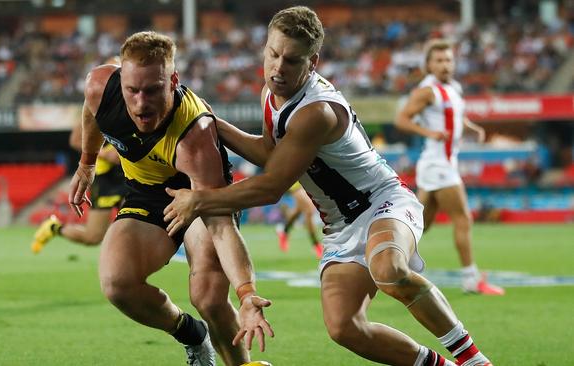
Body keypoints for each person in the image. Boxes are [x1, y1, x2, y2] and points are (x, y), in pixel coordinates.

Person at [164, 7, 492, 366]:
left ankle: (473, 360)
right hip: (340, 226)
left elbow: (272, 187)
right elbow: (269, 154)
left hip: (383, 203)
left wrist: (200, 200)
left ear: (313, 61)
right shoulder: (271, 95)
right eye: (273, 55)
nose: (278, 68)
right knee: (343, 328)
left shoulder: (315, 111)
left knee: (388, 270)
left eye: (291, 60)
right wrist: (206, 120)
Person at [67, 31, 273, 366]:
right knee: (118, 284)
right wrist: (87, 163)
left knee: (207, 296)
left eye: (152, 90)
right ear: (120, 81)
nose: (140, 103)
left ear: (173, 81)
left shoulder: (195, 135)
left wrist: (246, 292)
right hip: (147, 193)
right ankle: (192, 334)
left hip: (199, 193)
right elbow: (93, 112)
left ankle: (242, 364)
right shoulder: (100, 86)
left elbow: (221, 228)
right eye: (132, 90)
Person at [395, 39, 504, 296]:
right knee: (463, 218)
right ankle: (470, 278)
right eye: (439, 60)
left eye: (449, 60)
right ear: (428, 65)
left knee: (422, 224)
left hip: (441, 163)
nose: (445, 65)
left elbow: (455, 116)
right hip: (437, 163)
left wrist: (471, 128)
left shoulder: (453, 88)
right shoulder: (427, 91)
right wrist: (428, 132)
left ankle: (385, 266)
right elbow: (401, 119)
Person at [31, 126, 127, 253]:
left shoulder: (136, 107)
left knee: (135, 224)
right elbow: (75, 140)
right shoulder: (94, 109)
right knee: (93, 237)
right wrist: (104, 153)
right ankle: (53, 227)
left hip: (131, 174)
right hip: (105, 180)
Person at [275, 181, 323, 258]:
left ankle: (284, 231)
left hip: (307, 177)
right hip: (295, 180)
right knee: (309, 210)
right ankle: (316, 245)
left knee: (299, 209)